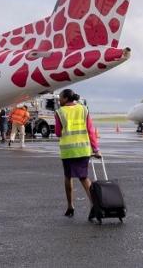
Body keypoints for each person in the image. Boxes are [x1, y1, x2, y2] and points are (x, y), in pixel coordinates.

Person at [53, 89, 101, 219]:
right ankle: (94, 204)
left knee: (68, 177)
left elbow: (58, 133)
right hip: (83, 149)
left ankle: (70, 206)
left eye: (60, 97)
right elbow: (90, 130)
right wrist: (96, 149)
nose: (59, 100)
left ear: (65, 99)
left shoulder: (59, 112)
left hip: (68, 150)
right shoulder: (84, 109)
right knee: (84, 177)